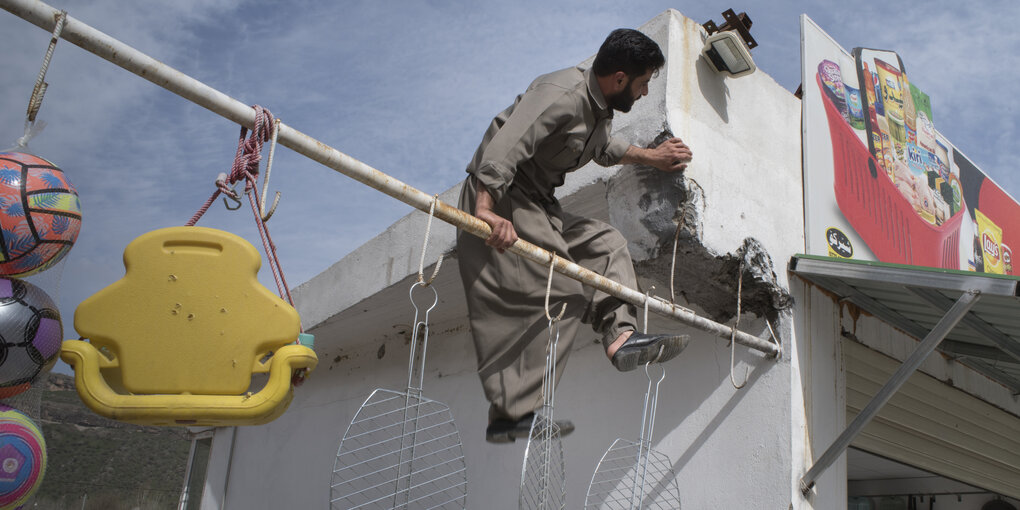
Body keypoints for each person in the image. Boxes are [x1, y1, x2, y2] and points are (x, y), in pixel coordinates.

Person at [456, 28, 694, 443]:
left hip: (541, 205)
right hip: (505, 197)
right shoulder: (560, 92)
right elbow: (503, 148)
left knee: (607, 245)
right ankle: (512, 414)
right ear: (620, 78)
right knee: (559, 290)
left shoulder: (599, 106)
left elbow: (603, 149)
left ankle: (621, 337)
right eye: (642, 84)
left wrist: (652, 158)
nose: (643, 93)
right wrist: (484, 211)